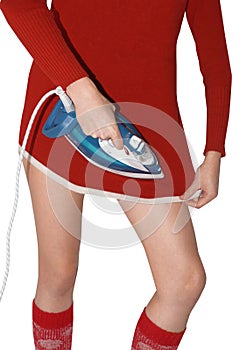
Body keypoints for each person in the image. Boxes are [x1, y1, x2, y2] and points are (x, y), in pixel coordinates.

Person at [0, 0, 231, 349]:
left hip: (148, 127)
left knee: (183, 281)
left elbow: (215, 62)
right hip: (63, 109)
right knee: (57, 276)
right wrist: (83, 92)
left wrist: (214, 152)